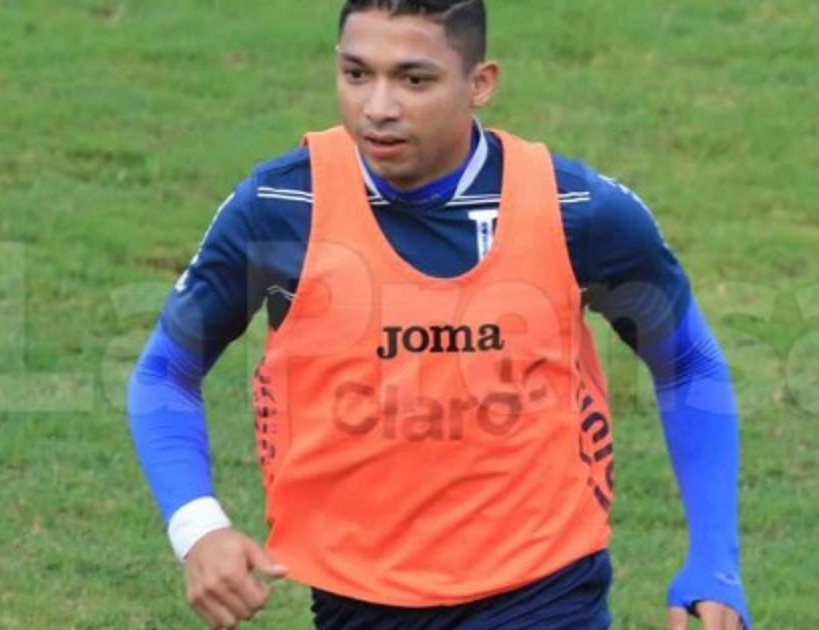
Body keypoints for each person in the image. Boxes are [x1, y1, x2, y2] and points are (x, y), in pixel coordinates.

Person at [127, 1, 750, 628]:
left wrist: (714, 560)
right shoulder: (280, 207)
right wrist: (197, 528)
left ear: (480, 83)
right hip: (356, 593)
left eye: (413, 79)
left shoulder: (578, 211)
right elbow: (166, 373)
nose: (377, 107)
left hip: (545, 586)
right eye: (356, 74)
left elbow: (687, 364)